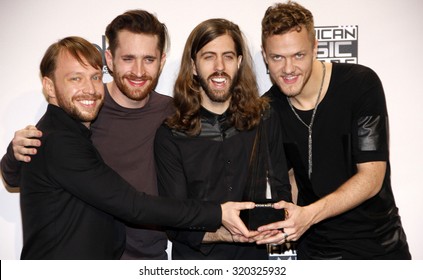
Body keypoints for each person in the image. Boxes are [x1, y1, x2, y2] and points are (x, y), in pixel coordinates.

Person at [0, 36, 253, 260]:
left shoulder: (172, 112)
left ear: (161, 61)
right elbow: (133, 205)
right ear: (49, 87)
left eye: (95, 77)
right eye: (75, 78)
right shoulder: (57, 140)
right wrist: (217, 212)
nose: (89, 89)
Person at [1, 10, 173, 260]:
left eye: (148, 59)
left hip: (149, 258)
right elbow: (16, 175)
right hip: (90, 258)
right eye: (128, 58)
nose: (138, 71)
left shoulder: (173, 113)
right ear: (110, 59)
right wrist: (14, 153)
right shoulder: (84, 104)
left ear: (162, 60)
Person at [256, 1, 411, 259]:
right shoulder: (268, 108)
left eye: (299, 55)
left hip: (378, 247)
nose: (288, 69)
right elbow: (292, 179)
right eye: (277, 57)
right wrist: (281, 221)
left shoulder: (360, 84)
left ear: (315, 48)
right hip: (316, 252)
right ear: (264, 56)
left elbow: (372, 178)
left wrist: (308, 215)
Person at [154, 18, 292, 260]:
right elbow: (174, 219)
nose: (219, 67)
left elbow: (282, 191)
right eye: (208, 57)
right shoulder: (171, 134)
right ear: (194, 66)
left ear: (239, 62)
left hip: (254, 263)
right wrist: (226, 233)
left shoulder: (264, 119)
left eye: (228, 56)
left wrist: (279, 225)